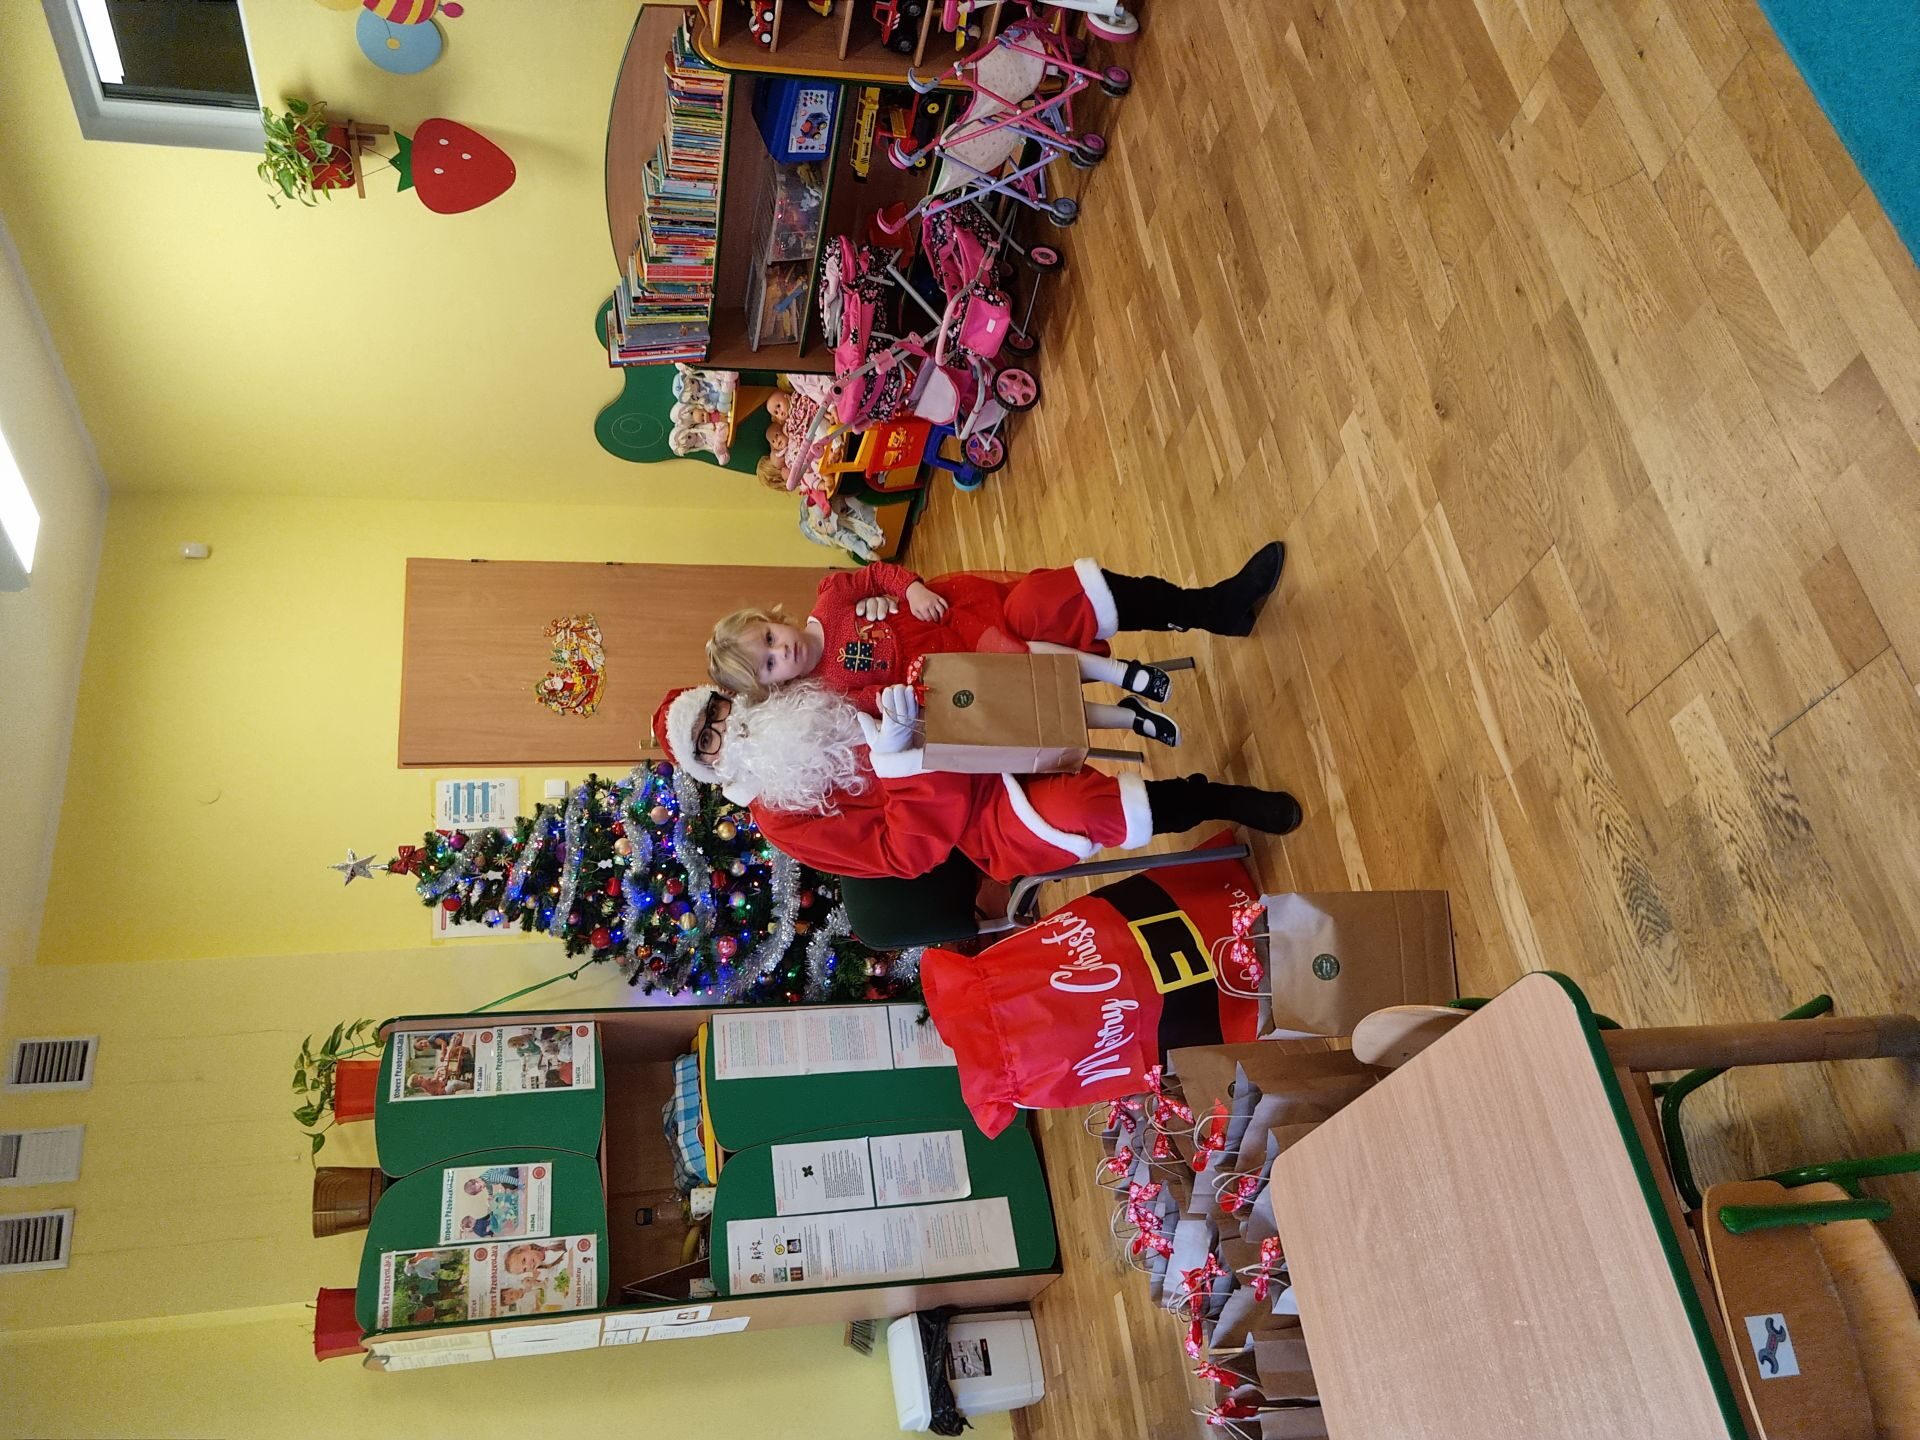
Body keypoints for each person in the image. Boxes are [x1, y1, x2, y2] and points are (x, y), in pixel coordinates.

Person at [650, 680, 1302, 883]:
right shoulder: (782, 819)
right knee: (1085, 808)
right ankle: (1211, 798)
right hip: (977, 817)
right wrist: (901, 761)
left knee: (1038, 634)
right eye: (709, 739)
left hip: (976, 726)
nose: (727, 728)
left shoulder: (795, 695)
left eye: (717, 712)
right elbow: (904, 855)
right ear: (712, 767)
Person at [703, 543, 1286, 749]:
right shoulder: (828, 691)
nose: (783, 652)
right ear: (774, 685)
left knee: (1059, 596)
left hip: (957, 613)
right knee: (1021, 671)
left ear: (772, 619)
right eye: (770, 665)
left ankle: (1205, 608)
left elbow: (877, 575)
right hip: (952, 673)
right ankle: (1131, 697)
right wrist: (900, 696)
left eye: (771, 639)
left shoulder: (830, 597)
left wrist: (910, 588)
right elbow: (875, 702)